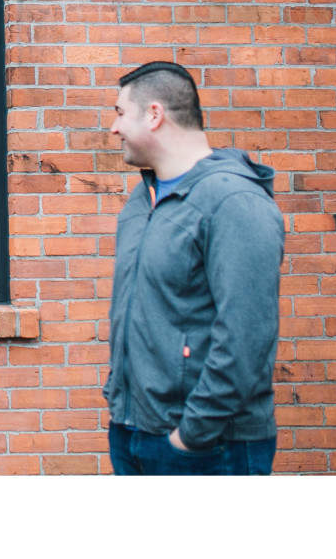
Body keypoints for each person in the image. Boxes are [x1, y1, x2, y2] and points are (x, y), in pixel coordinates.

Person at [104, 60, 285, 475]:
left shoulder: (234, 201)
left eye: (119, 113)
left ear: (154, 115)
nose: (113, 128)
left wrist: (190, 435)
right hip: (133, 432)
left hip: (208, 448)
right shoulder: (142, 201)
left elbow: (246, 336)